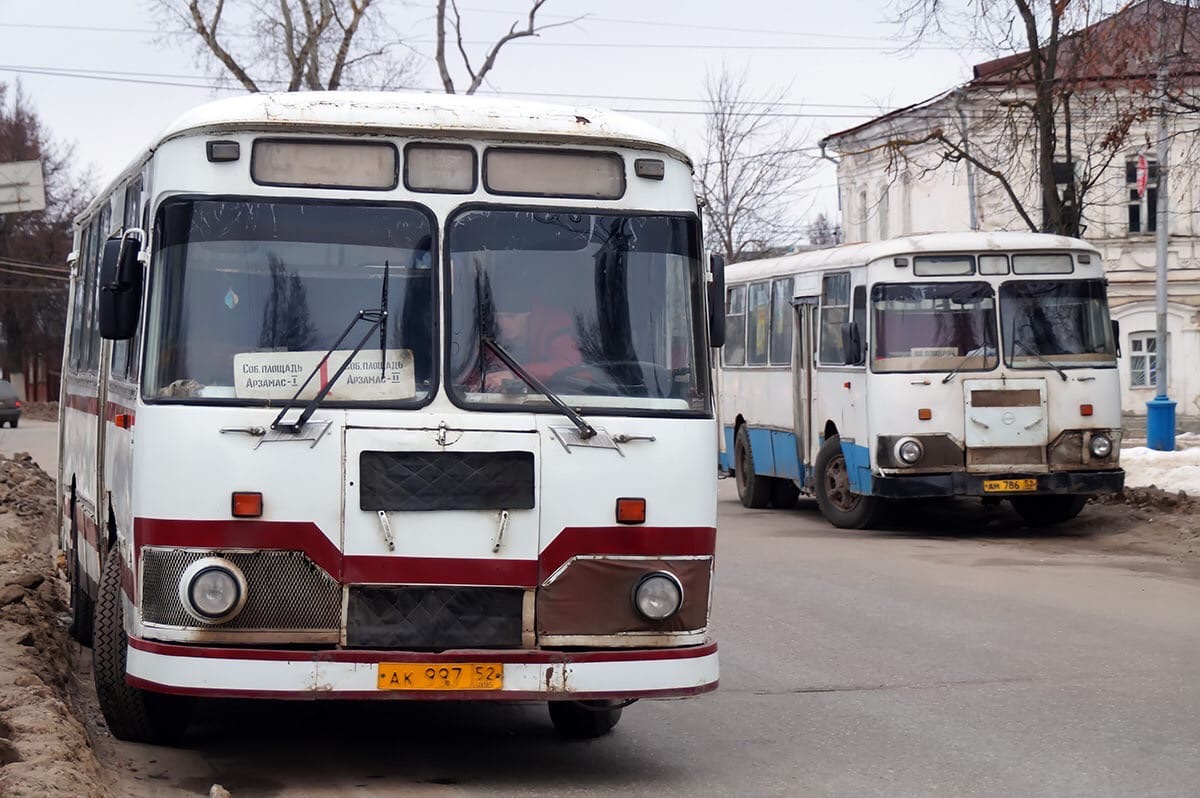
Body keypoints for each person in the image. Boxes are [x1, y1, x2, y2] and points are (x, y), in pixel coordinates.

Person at [482, 295, 583, 393]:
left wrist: (514, 375)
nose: (504, 324)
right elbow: (474, 371)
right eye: (499, 317)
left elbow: (571, 366)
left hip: (559, 403)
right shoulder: (486, 336)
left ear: (528, 316)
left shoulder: (555, 328)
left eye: (511, 317)